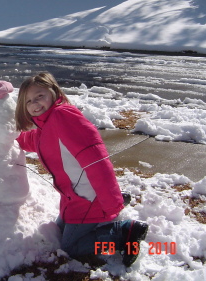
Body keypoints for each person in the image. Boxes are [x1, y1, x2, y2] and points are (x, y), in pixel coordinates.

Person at [15, 72, 148, 267]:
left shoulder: (62, 117)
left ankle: (123, 233)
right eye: (28, 101)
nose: (35, 103)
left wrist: (111, 202)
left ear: (54, 92)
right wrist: (5, 139)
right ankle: (112, 205)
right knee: (58, 230)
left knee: (72, 247)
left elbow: (96, 160)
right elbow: (33, 140)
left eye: (39, 96)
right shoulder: (46, 124)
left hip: (88, 195)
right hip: (74, 196)